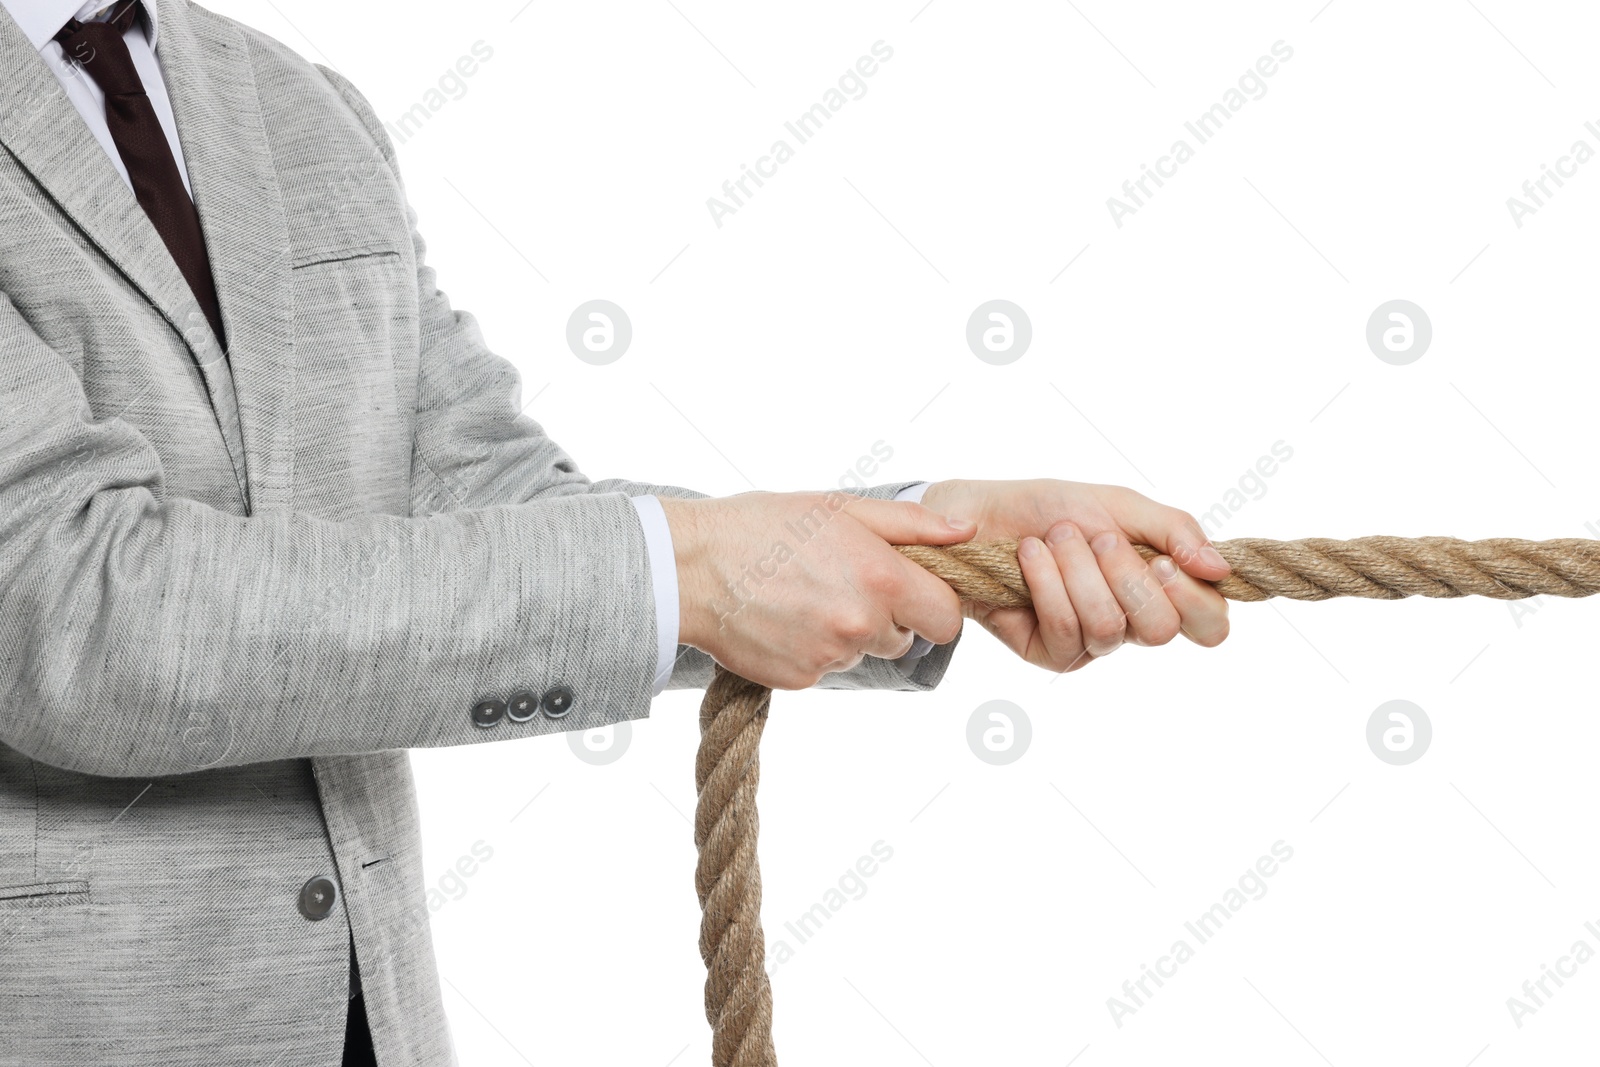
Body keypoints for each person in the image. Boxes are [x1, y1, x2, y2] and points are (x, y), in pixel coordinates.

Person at [0, 1, 1232, 1062]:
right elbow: (76, 606)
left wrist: (928, 544)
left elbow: (484, 501)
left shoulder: (297, 104)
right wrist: (688, 576)